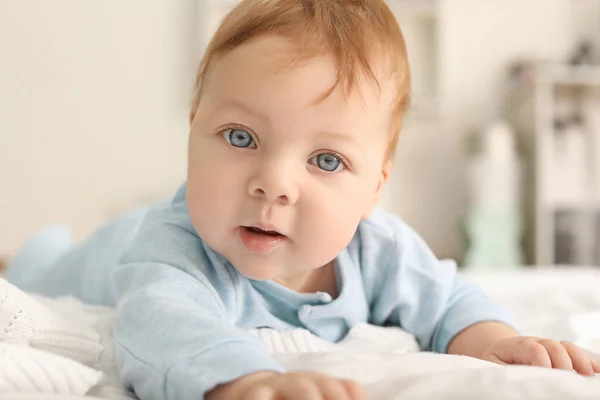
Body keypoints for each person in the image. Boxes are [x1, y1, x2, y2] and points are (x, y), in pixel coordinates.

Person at [6, 1, 599, 399]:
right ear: (193, 129)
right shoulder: (172, 248)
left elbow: (447, 300)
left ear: (374, 187)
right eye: (241, 138)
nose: (275, 184)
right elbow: (160, 323)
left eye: (326, 160)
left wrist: (494, 339)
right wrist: (241, 381)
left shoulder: (380, 247)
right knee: (43, 263)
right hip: (104, 254)